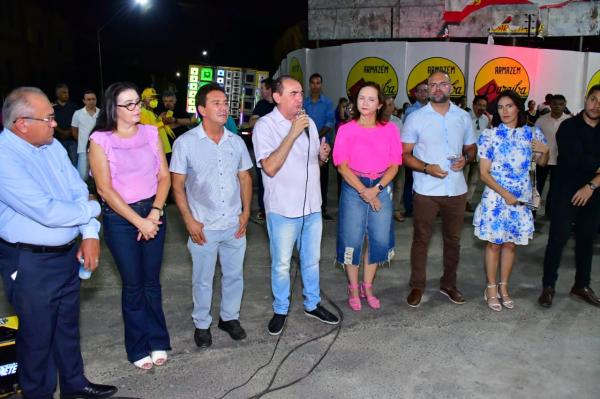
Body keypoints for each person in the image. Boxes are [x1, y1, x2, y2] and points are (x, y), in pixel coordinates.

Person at [0, 87, 117, 399]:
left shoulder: (49, 146)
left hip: (68, 255)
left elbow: (78, 190)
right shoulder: (4, 158)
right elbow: (48, 211)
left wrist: (90, 234)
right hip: (30, 262)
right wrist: (95, 209)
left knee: (67, 328)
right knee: (37, 337)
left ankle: (75, 384)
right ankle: (38, 393)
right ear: (21, 123)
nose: (55, 124)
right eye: (48, 118)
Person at [89, 82, 171, 370]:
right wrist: (138, 221)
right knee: (133, 285)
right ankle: (137, 346)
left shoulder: (151, 132)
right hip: (120, 219)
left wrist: (155, 212)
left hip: (153, 212)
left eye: (139, 102)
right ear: (114, 109)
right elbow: (104, 189)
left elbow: (164, 177)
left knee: (152, 282)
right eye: (130, 105)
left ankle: (158, 339)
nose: (138, 108)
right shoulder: (100, 140)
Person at [253, 75, 339, 336]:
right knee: (281, 264)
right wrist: (291, 133)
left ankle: (312, 304)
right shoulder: (265, 127)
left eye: (301, 93)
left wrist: (323, 157)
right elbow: (269, 166)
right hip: (283, 210)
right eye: (293, 93)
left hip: (312, 206)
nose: (300, 98)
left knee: (311, 260)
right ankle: (281, 309)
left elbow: (314, 161)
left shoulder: (309, 123)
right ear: (277, 97)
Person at [170, 83, 253, 348]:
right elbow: (177, 185)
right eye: (216, 102)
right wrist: (188, 220)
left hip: (233, 223)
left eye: (225, 102)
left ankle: (229, 318)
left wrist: (246, 212)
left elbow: (244, 178)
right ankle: (202, 324)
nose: (223, 106)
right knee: (203, 280)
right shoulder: (186, 143)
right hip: (202, 226)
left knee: (234, 275)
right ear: (201, 109)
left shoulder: (236, 141)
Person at [402, 71, 477, 307]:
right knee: (421, 239)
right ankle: (417, 285)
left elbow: (472, 148)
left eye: (442, 84)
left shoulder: (463, 117)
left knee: (453, 240)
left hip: (456, 189)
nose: (437, 88)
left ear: (451, 88)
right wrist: (426, 168)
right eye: (432, 85)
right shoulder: (415, 117)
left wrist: (466, 159)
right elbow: (404, 154)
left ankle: (449, 284)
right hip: (426, 189)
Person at [473, 90, 549, 311]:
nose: (504, 111)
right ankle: (490, 287)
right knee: (494, 244)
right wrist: (504, 193)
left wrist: (545, 151)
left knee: (510, 244)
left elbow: (543, 163)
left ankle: (504, 287)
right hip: (496, 199)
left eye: (509, 106)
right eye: (500, 107)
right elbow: (484, 173)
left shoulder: (532, 133)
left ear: (518, 108)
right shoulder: (490, 135)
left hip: (520, 200)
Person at [333, 83, 402, 311]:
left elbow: (395, 165)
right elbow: (342, 166)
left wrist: (376, 190)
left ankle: (368, 286)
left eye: (371, 99)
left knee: (378, 239)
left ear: (380, 104)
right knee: (352, 238)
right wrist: (365, 191)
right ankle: (353, 287)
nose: (365, 103)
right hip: (354, 186)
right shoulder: (345, 129)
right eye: (362, 98)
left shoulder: (390, 129)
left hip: (381, 186)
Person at [538, 85, 600, 308]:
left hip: (593, 194)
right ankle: (548, 286)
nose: (596, 105)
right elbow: (577, 160)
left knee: (586, 241)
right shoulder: (568, 126)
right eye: (593, 99)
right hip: (565, 192)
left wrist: (591, 185)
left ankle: (581, 285)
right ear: (585, 99)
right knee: (557, 240)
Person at [304, 73, 335, 220]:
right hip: (305, 144)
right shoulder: (304, 103)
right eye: (313, 83)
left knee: (322, 178)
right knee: (307, 176)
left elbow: (330, 123)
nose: (315, 85)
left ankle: (321, 209)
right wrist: (309, 137)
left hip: (323, 146)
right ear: (309, 85)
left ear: (321, 85)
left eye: (318, 83)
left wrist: (315, 136)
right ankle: (307, 207)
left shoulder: (328, 103)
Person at [534, 94, 570, 218]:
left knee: (555, 190)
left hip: (559, 161)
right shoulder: (541, 120)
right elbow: (534, 140)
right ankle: (532, 212)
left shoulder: (569, 121)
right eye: (555, 104)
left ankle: (550, 212)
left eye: (561, 104)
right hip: (542, 160)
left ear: (565, 104)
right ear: (550, 104)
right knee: (537, 187)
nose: (558, 107)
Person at [249, 78, 275, 222]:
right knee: (262, 180)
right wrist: (268, 120)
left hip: (279, 151)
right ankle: (262, 209)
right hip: (263, 151)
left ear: (270, 89)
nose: (260, 91)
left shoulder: (280, 105)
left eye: (262, 88)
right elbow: (251, 122)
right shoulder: (260, 105)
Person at [402, 82, 429, 218]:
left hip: (428, 150)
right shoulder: (411, 111)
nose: (425, 93)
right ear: (416, 94)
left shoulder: (433, 110)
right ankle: (409, 208)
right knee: (410, 180)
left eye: (426, 90)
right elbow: (407, 134)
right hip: (413, 150)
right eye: (422, 91)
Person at [464, 95, 491, 211]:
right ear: (474, 105)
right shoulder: (466, 117)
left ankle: (467, 201)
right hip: (465, 153)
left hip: (479, 154)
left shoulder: (485, 119)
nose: (482, 108)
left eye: (484, 106)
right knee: (463, 178)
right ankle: (459, 201)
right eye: (479, 105)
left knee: (474, 180)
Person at [381, 96, 405, 222]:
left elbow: (402, 141)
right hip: (382, 162)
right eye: (389, 104)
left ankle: (396, 210)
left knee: (399, 185)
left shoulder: (397, 122)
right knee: (383, 186)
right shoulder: (376, 122)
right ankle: (382, 210)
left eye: (393, 104)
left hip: (397, 159)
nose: (392, 107)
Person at [71, 90, 100, 181]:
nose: (91, 101)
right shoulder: (78, 113)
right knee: (82, 175)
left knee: (98, 174)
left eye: (93, 99)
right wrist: (82, 142)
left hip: (99, 149)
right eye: (88, 99)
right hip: (83, 149)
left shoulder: (102, 113)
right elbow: (74, 130)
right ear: (84, 101)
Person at [140, 87, 175, 160]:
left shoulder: (152, 112)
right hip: (156, 151)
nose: (154, 99)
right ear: (143, 99)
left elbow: (155, 124)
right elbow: (148, 129)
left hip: (163, 149)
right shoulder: (142, 112)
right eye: (150, 97)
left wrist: (161, 118)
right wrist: (162, 122)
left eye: (155, 97)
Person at [53, 83, 78, 165]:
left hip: (72, 139)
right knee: (61, 162)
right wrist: (62, 132)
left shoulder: (73, 106)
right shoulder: (52, 107)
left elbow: (78, 121)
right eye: (64, 92)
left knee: (74, 161)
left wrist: (69, 131)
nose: (67, 95)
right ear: (58, 94)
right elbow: (50, 121)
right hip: (58, 140)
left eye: (67, 92)